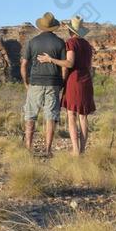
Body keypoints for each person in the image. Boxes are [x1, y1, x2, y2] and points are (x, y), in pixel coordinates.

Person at [37, 15, 96, 156]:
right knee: (83, 116)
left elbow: (69, 63)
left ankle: (75, 150)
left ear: (70, 30)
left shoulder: (71, 42)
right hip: (87, 80)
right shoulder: (87, 45)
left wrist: (50, 59)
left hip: (74, 81)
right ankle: (82, 150)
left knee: (71, 115)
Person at [21, 12, 67, 155]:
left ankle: (28, 148)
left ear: (41, 26)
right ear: (54, 27)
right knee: (51, 117)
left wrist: (26, 83)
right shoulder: (60, 43)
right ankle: (48, 149)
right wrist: (62, 83)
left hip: (35, 83)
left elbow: (23, 65)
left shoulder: (32, 42)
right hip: (53, 83)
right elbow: (64, 67)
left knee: (30, 116)